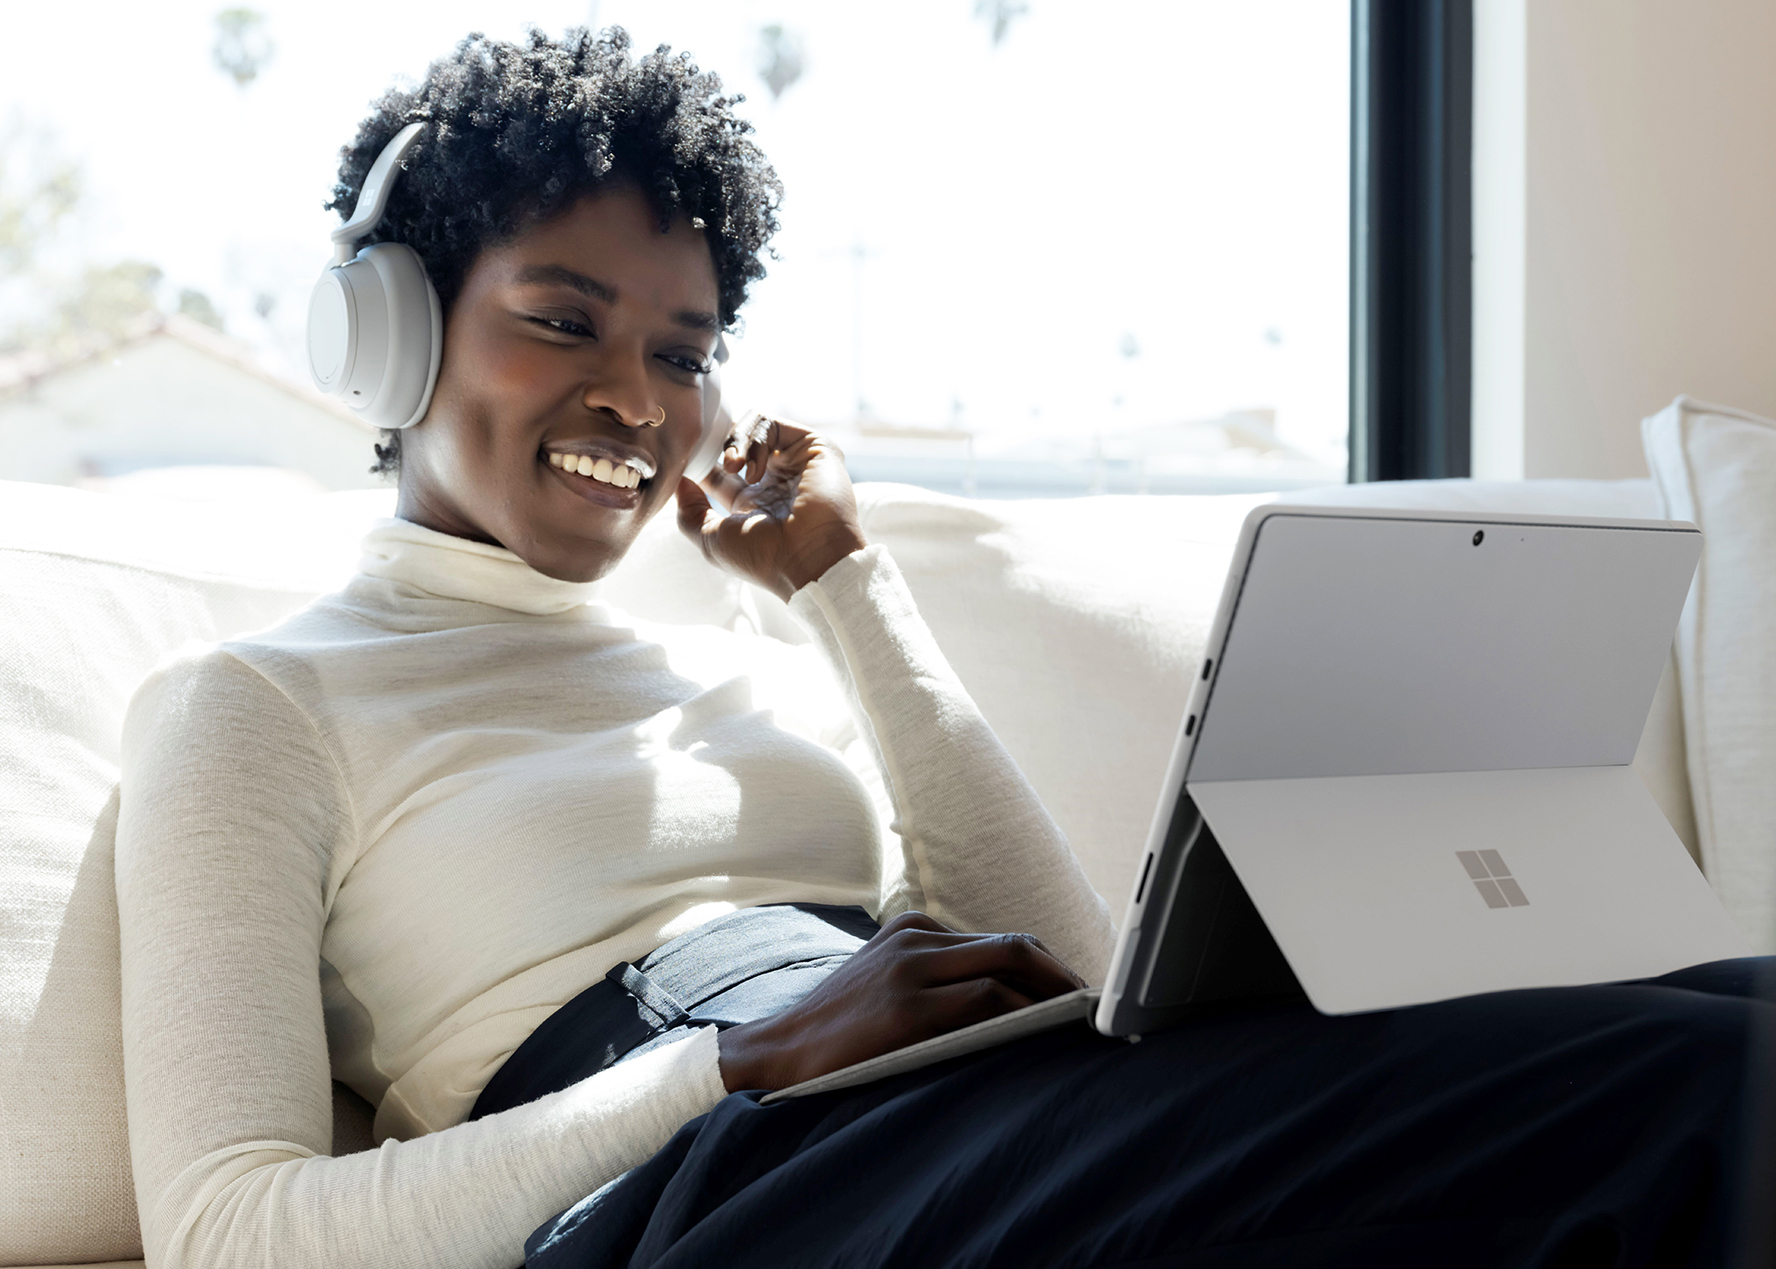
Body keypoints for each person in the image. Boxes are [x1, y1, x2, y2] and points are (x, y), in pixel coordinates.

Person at [115, 28, 1768, 1269]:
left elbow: (1058, 969)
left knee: (1732, 1018)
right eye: (563, 319)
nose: (635, 394)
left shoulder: (737, 679)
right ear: (387, 327)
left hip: (937, 1124)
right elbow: (229, 1228)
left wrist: (843, 585)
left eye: (682, 349)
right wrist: (735, 1059)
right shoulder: (255, 707)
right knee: (1695, 1087)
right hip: (716, 1186)